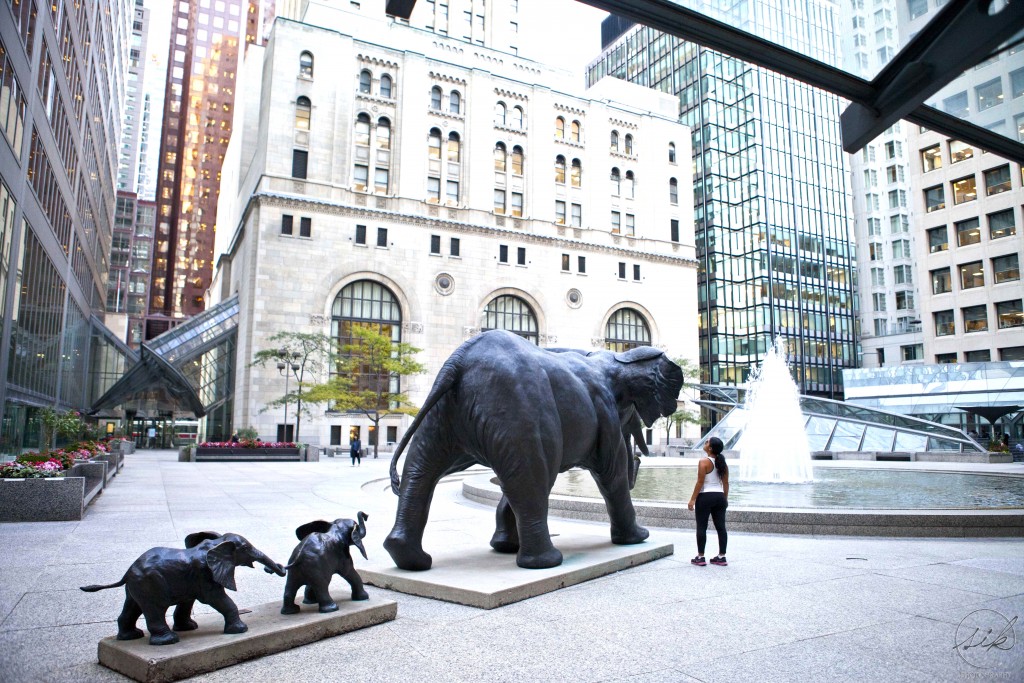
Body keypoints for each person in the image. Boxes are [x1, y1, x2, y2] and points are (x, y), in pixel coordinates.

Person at [687, 436, 729, 566]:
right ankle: (721, 557)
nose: (704, 443)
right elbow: (726, 483)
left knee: (702, 527)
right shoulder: (723, 463)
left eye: (707, 442)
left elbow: (700, 482)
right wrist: (725, 499)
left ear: (710, 448)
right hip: (719, 497)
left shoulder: (703, 462)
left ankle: (700, 557)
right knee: (721, 527)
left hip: (705, 497)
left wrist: (692, 499)